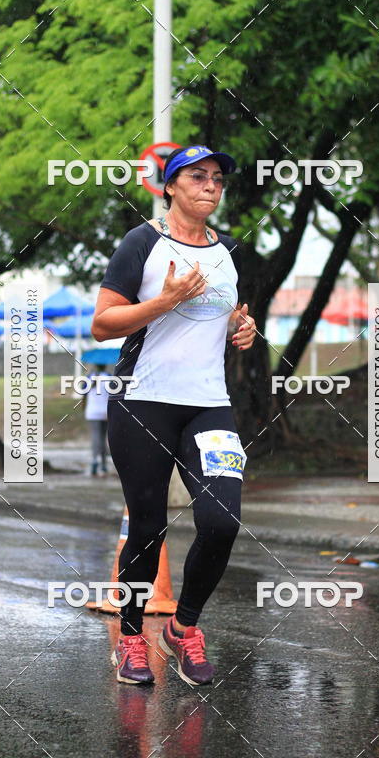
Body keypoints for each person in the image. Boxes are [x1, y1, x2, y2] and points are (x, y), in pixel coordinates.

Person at [92, 144, 256, 686]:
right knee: (148, 525)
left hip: (208, 402)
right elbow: (103, 324)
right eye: (197, 177)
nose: (210, 186)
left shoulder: (228, 250)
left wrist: (241, 331)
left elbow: (227, 320)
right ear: (170, 187)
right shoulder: (141, 243)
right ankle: (132, 638)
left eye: (217, 179)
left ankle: (183, 628)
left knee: (222, 519)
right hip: (143, 401)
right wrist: (163, 301)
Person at [83, 363, 110, 475]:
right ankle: (103, 464)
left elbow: (83, 394)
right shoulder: (109, 377)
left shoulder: (89, 378)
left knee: (95, 437)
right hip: (105, 412)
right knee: (103, 438)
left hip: (92, 412)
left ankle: (94, 460)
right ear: (105, 366)